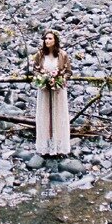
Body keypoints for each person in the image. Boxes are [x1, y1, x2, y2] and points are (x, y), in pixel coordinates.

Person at [29, 30, 72, 158]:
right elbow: (35, 70)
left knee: (59, 115)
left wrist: (60, 80)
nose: (47, 41)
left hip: (58, 90)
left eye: (50, 39)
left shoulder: (62, 55)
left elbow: (68, 72)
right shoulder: (40, 54)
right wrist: (43, 79)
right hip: (44, 89)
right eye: (46, 39)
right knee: (44, 115)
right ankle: (45, 145)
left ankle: (58, 146)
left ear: (55, 41)